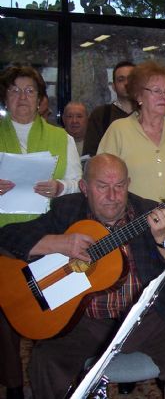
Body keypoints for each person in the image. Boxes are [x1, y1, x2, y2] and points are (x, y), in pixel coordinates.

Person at [0, 153, 165, 399]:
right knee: (45, 362)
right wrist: (58, 242)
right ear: (84, 188)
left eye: (120, 186)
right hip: (83, 322)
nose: (113, 196)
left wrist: (163, 240)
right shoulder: (67, 210)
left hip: (148, 318)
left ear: (128, 184)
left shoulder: (147, 211)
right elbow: (8, 236)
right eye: (102, 187)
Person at [0, 65, 82, 399]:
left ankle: (51, 378)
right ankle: (14, 385)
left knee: (51, 311)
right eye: (15, 90)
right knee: (5, 317)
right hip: (3, 237)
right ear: (5, 97)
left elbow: (79, 186)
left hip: (49, 235)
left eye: (29, 91)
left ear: (40, 100)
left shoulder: (60, 137)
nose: (22, 96)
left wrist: (60, 186)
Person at [98, 60, 165, 240]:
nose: (164, 97)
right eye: (156, 91)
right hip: (134, 228)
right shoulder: (119, 130)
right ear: (139, 95)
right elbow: (100, 179)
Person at [83, 61, 135, 156]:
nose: (126, 83)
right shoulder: (101, 115)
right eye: (121, 79)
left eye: (131, 79)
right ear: (113, 86)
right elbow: (90, 155)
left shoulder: (147, 114)